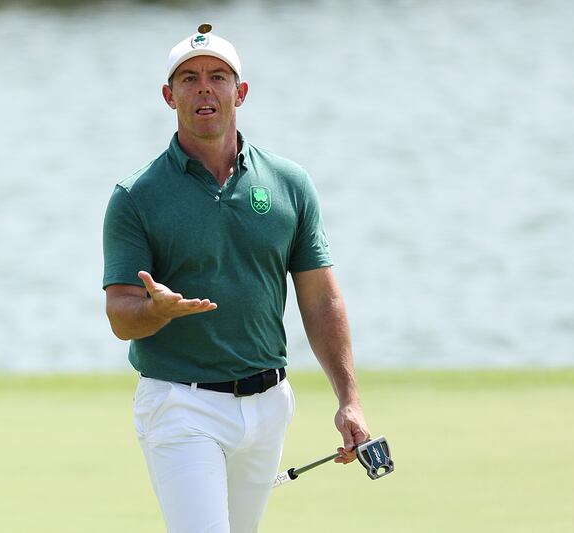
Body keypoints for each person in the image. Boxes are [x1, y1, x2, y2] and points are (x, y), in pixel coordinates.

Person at [103, 23, 370, 533]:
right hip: (181, 403)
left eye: (218, 76)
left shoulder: (288, 183)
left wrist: (349, 400)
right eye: (189, 78)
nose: (204, 87)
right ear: (169, 95)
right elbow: (120, 313)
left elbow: (321, 300)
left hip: (270, 403)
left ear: (239, 92)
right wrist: (154, 312)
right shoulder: (136, 195)